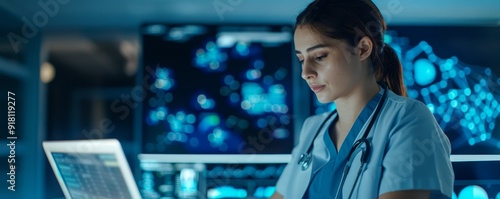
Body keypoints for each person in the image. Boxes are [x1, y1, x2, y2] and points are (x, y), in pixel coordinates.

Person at [270, 0, 454, 198]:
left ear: (363, 49)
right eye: (301, 59)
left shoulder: (408, 119)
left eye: (320, 56)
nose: (305, 73)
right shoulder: (313, 129)